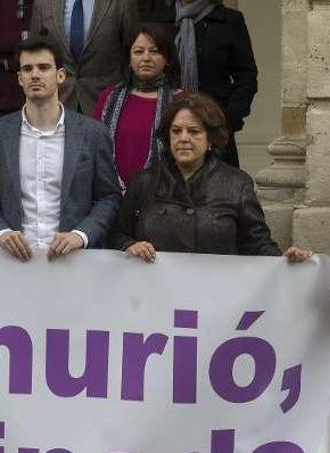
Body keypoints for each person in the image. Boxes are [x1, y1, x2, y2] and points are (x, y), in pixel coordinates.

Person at [110, 93, 311, 262]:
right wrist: (130, 246)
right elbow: (117, 235)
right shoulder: (144, 181)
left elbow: (256, 244)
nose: (183, 138)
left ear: (210, 140)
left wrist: (285, 260)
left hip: (218, 300)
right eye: (176, 131)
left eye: (194, 131)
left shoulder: (237, 184)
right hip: (156, 299)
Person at [0, 37, 121, 262]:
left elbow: (109, 196)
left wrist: (80, 235)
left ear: (61, 75)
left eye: (43, 67)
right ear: (19, 79)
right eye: (27, 69)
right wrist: (1, 233)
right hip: (13, 261)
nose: (35, 74)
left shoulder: (93, 133)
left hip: (76, 261)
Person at [148, 0, 257, 167]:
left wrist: (227, 119)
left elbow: (246, 76)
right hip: (166, 130)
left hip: (215, 130)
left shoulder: (229, 21)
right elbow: (148, 74)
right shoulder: (158, 22)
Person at [92, 24, 182, 187]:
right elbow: (93, 147)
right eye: (138, 51)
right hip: (111, 193)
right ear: (129, 59)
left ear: (167, 58)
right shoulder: (109, 98)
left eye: (154, 51)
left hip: (164, 196)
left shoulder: (181, 101)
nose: (146, 58)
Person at [30, 0, 138, 115]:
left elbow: (132, 49)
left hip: (107, 102)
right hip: (58, 101)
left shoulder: (121, 3)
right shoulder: (43, 3)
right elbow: (35, 51)